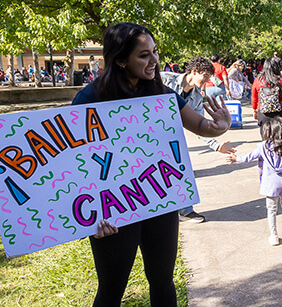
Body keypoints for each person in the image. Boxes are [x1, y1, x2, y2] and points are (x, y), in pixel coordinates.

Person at [72, 22, 232, 306]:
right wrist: (91, 215)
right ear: (121, 59)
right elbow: (73, 164)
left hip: (159, 199)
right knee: (112, 286)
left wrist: (220, 126)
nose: (154, 60)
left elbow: (201, 126)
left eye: (154, 52)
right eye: (144, 55)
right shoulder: (91, 98)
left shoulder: (160, 93)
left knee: (162, 280)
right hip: (112, 209)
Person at [161, 56, 236, 223]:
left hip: (172, 139)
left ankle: (185, 211)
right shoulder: (165, 79)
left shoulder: (196, 96)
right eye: (205, 76)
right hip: (148, 136)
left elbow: (199, 125)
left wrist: (216, 145)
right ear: (194, 72)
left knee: (181, 172)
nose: (207, 80)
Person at [227, 117, 282, 245]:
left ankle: (274, 235)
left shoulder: (263, 147)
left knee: (271, 209)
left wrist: (236, 159)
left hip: (270, 184)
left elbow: (249, 157)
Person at [251, 57, 282, 126]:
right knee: (281, 135)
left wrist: (254, 110)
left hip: (263, 112)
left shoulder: (258, 80)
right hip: (280, 112)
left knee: (265, 135)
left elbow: (254, 98)